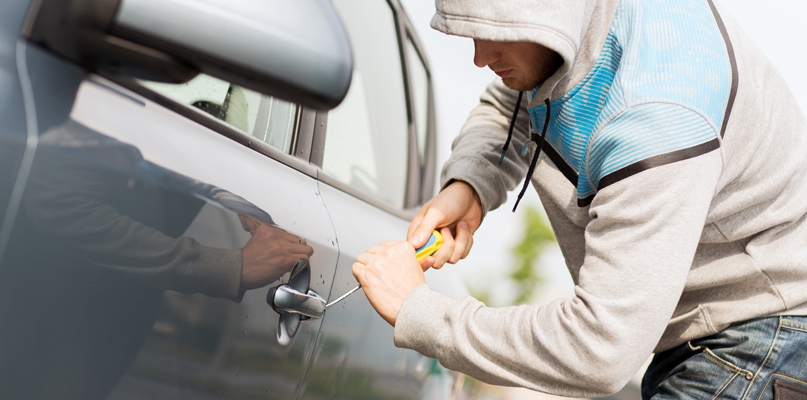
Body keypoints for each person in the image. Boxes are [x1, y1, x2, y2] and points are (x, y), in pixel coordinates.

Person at [352, 0, 807, 398]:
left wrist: (420, 312)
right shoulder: (573, 26)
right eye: (472, 30)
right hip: (718, 336)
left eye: (494, 32)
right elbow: (511, 99)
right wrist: (470, 185)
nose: (479, 56)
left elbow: (598, 347)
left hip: (758, 341)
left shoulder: (658, 117)